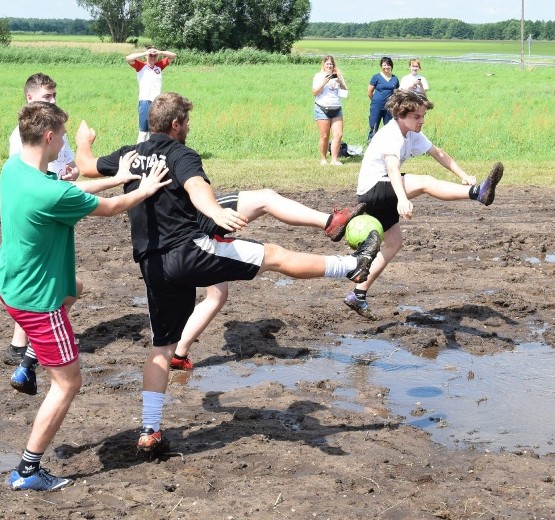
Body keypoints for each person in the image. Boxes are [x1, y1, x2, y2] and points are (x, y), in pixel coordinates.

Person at [73, 92, 382, 451]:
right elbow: (196, 186)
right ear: (176, 124)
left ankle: (150, 430)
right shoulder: (180, 154)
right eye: (186, 121)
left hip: (153, 266)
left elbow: (86, 165)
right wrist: (216, 214)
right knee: (274, 255)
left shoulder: (129, 155)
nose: (188, 127)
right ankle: (352, 266)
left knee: (160, 349)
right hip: (190, 251)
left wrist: (84, 141)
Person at [0, 101, 170, 491]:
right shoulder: (48, 193)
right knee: (68, 383)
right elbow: (109, 209)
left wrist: (117, 176)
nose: (63, 143)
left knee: (75, 287)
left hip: (13, 283)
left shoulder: (15, 171)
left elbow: (69, 190)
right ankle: (27, 470)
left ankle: (28, 362)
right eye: (61, 137)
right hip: (37, 301)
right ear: (48, 137)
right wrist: (143, 189)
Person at [344, 89, 504, 320]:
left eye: (423, 116)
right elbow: (392, 170)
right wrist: (401, 199)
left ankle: (357, 294)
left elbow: (438, 154)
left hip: (387, 188)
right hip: (374, 191)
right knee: (425, 182)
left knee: (394, 244)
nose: (421, 120)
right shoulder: (391, 135)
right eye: (417, 116)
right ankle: (477, 193)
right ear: (401, 115)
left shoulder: (412, 134)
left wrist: (463, 174)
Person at [170, 190, 366, 370]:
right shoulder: (172, 155)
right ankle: (332, 224)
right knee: (265, 200)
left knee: (217, 296)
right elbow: (193, 182)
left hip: (174, 231)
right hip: (190, 217)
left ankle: (178, 353)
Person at [5, 72, 82, 371]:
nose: (52, 100)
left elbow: (71, 165)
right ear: (29, 98)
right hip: (41, 213)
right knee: (47, 283)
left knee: (57, 283)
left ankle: (21, 346)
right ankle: (25, 347)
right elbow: (28, 177)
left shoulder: (55, 129)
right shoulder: (25, 136)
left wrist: (72, 175)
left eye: (54, 95)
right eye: (47, 96)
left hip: (59, 204)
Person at [126, 46, 176, 143]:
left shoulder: (159, 66)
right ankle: (139, 151)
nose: (152, 58)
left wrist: (159, 51)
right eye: (150, 56)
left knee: (154, 130)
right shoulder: (140, 66)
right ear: (146, 56)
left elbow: (173, 56)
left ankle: (150, 151)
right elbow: (128, 58)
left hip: (157, 102)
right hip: (145, 100)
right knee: (143, 130)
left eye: (154, 56)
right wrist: (145, 53)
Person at [312, 55, 348, 166]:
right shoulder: (318, 76)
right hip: (322, 108)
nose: (329, 66)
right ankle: (323, 158)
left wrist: (340, 81)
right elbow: (315, 93)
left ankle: (334, 160)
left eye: (331, 64)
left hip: (336, 108)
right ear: (323, 65)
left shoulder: (338, 76)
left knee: (338, 135)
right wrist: (324, 82)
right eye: (327, 64)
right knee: (324, 136)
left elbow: (345, 93)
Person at [367, 56, 399, 142]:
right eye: (384, 65)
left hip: (389, 108)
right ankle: (371, 144)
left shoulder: (394, 78)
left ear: (391, 66)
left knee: (389, 127)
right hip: (376, 107)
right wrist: (375, 101)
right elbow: (369, 92)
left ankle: (387, 144)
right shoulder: (376, 77)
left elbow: (396, 93)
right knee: (374, 126)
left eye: (388, 65)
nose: (386, 67)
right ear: (381, 66)